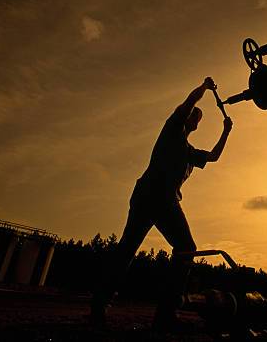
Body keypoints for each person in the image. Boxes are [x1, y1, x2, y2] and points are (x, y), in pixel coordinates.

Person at [91, 77, 233, 330]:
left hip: (148, 196)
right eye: (193, 115)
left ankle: (101, 304)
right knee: (185, 248)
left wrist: (226, 132)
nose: (194, 117)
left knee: (128, 248)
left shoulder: (190, 151)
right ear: (185, 118)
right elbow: (189, 102)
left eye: (197, 118)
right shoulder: (172, 130)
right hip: (158, 197)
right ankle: (165, 312)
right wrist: (204, 87)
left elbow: (213, 156)